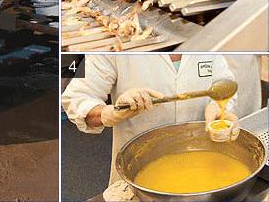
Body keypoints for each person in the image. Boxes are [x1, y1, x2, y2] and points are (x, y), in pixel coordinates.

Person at [61, 54, 239, 184]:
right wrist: (110, 113)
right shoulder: (109, 49)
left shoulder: (207, 38)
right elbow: (75, 98)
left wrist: (219, 106)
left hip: (201, 170)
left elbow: (226, 84)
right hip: (138, 172)